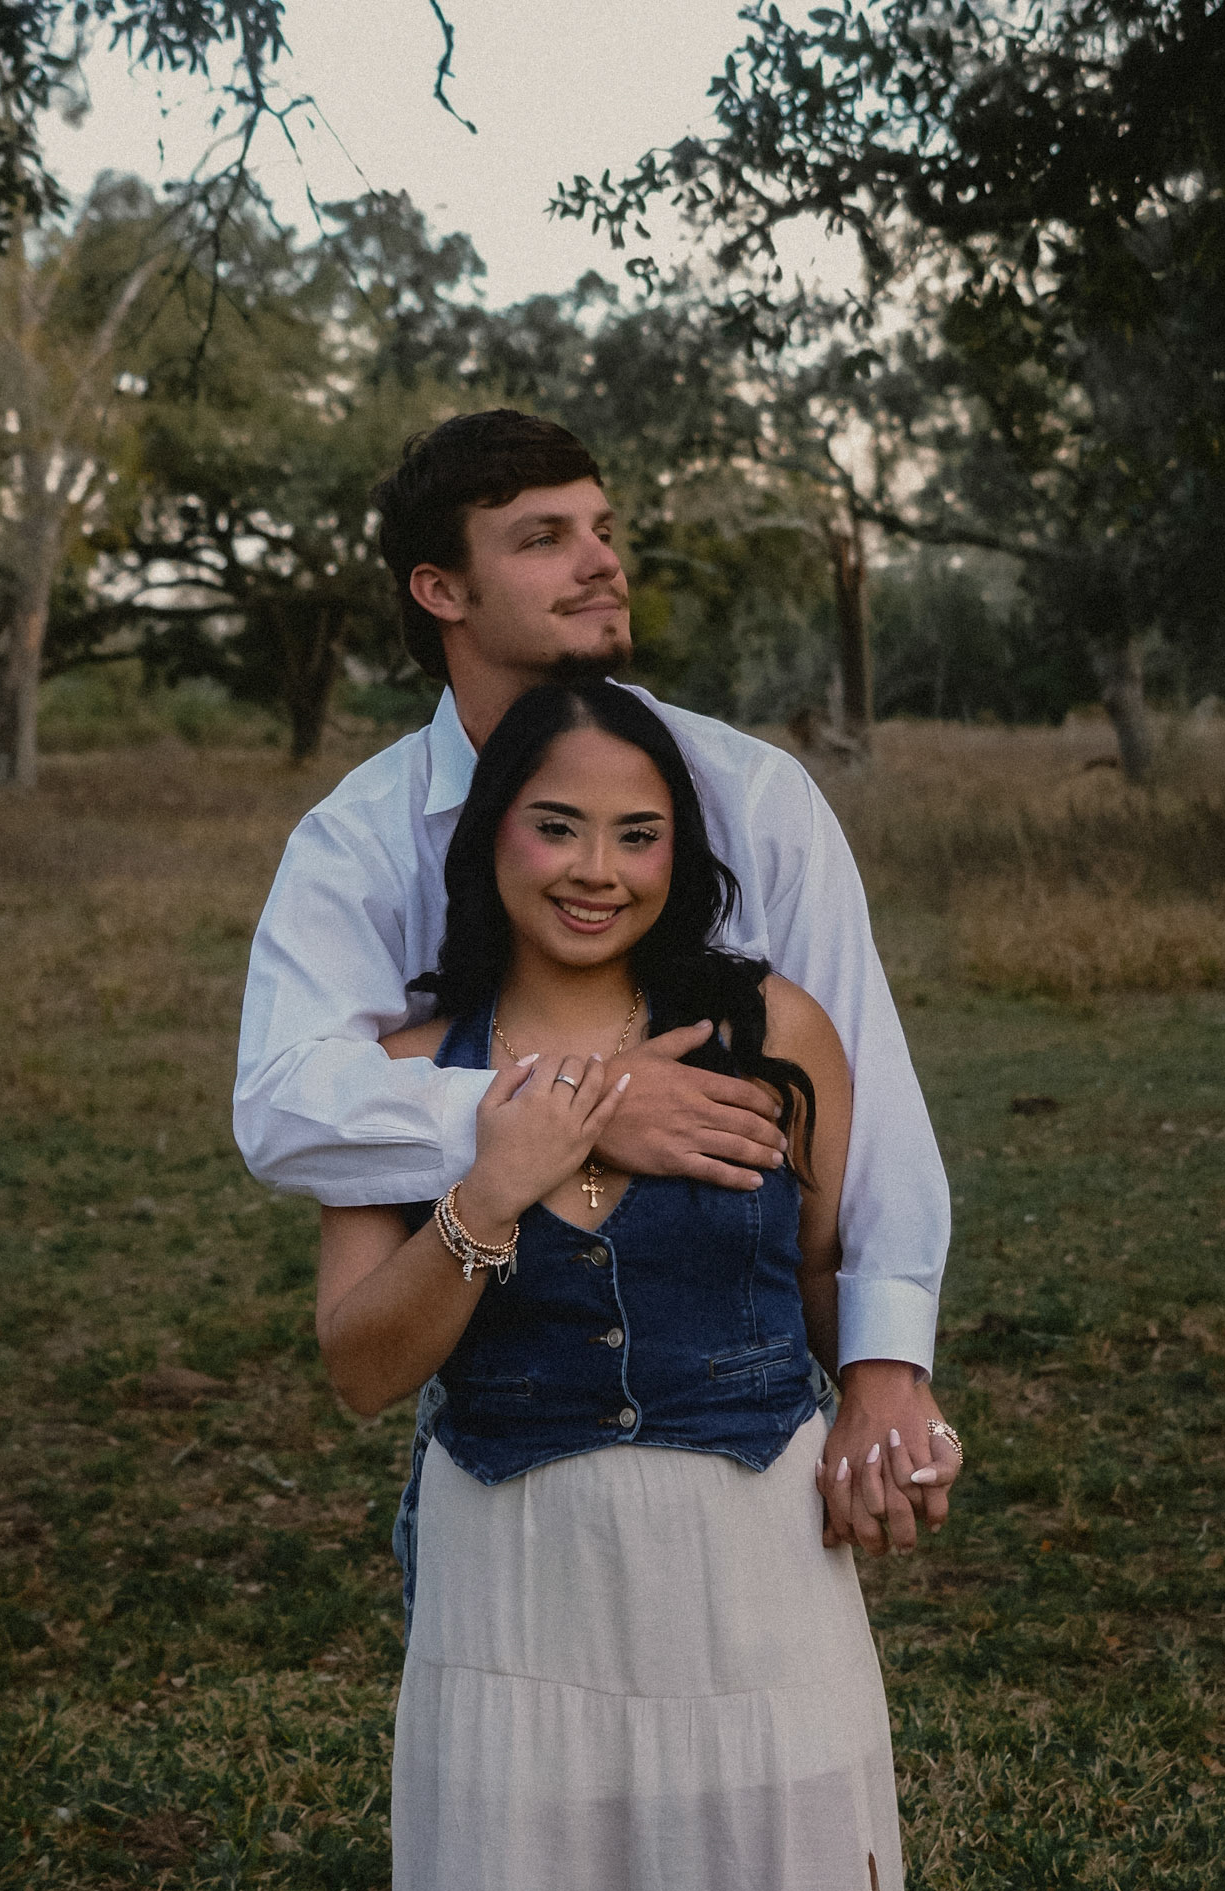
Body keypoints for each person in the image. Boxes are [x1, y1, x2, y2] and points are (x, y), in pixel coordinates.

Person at [316, 675, 959, 1891]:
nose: (596, 870)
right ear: (491, 835)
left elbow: (822, 1270)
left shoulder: (774, 1031)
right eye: (556, 826)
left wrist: (892, 1408)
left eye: (637, 832)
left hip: (751, 1575)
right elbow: (360, 1367)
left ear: (683, 850)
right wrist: (491, 1189)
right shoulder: (404, 1073)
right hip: (514, 1588)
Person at [235, 409, 952, 1553]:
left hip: (747, 1444)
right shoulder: (359, 838)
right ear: (440, 589)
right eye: (543, 537)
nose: (602, 561)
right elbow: (282, 1107)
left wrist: (881, 1367)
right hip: (503, 1445)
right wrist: (582, 1113)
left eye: (604, 529)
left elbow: (863, 1087)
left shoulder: (752, 796)